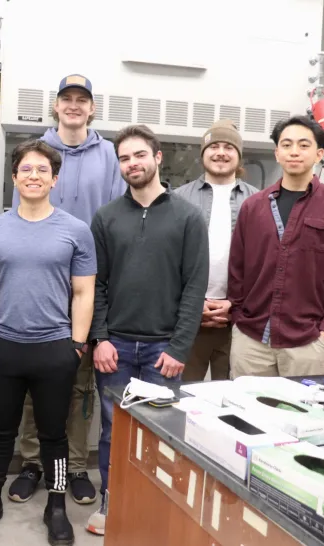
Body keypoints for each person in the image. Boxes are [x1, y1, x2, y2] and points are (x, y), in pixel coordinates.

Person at [0, 140, 96, 545]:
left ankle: (56, 507)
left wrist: (75, 346)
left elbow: (83, 293)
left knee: (54, 432)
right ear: (15, 177)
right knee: (0, 431)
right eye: (26, 169)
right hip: (1, 348)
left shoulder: (76, 231)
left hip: (55, 348)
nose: (34, 176)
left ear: (54, 179)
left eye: (42, 170)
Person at [87, 124, 208, 536]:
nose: (132, 164)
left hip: (162, 350)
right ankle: (112, 500)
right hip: (115, 347)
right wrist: (99, 338)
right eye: (124, 158)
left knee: (162, 432)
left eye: (139, 155)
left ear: (157, 158)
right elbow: (96, 284)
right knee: (112, 430)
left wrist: (179, 348)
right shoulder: (106, 218)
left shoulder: (188, 217)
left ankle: (155, 504)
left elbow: (195, 286)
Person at [9, 73, 123, 507]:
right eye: (66, 99)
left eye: (82, 100)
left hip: (87, 283)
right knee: (33, 389)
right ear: (55, 106)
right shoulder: (37, 152)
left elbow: (113, 219)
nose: (74, 106)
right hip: (39, 283)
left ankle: (75, 465)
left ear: (92, 108)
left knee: (77, 386)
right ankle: (34, 463)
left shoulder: (109, 155)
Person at [228, 115, 324, 377]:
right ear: (277, 153)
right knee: (246, 416)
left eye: (303, 145)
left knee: (305, 417)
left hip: (308, 342)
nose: (294, 152)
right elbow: (237, 269)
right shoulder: (253, 207)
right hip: (251, 339)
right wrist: (237, 316)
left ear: (319, 153)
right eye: (286, 145)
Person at [175, 120, 258, 381]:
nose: (220, 152)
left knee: (233, 400)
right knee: (183, 397)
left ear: (239, 155)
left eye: (228, 147)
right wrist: (193, 304)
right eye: (213, 146)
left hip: (239, 321)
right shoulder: (178, 198)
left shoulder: (259, 202)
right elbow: (167, 261)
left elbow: (263, 264)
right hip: (188, 318)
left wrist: (234, 304)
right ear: (203, 154)